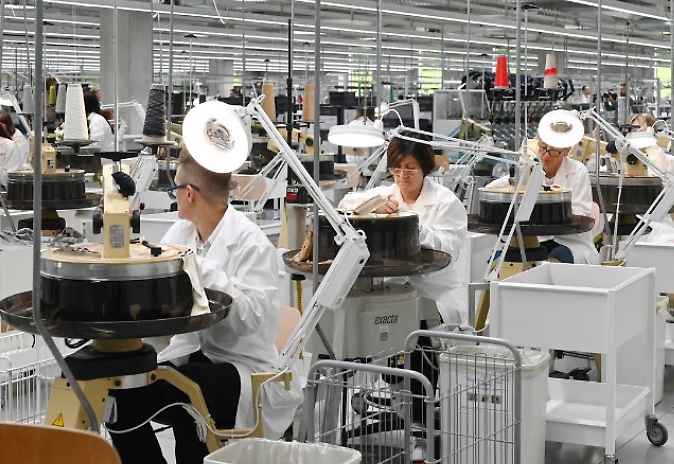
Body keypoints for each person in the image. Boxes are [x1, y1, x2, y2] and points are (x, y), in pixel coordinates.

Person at [107, 146, 297, 464]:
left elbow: (250, 319)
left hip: (243, 368)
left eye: (174, 189)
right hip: (191, 354)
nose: (174, 196)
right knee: (120, 391)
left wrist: (199, 266)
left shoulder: (251, 244)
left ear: (189, 193)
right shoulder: (182, 232)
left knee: (188, 391)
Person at [337, 137, 470, 326]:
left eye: (410, 168)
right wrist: (373, 205)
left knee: (425, 333)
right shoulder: (387, 195)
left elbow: (448, 248)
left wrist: (410, 226)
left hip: (435, 290)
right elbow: (346, 203)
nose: (402, 175)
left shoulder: (446, 202)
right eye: (396, 168)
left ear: (424, 167)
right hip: (393, 286)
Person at [486, 128, 599, 265]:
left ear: (566, 151)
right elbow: (489, 191)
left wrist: (550, 203)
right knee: (496, 263)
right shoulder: (530, 168)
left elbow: (582, 213)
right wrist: (511, 180)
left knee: (552, 263)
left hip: (569, 242)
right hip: (533, 239)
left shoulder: (578, 171)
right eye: (543, 148)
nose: (545, 156)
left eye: (553, 151)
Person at [630, 113, 674, 181]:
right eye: (633, 128)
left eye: (638, 127)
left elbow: (659, 172)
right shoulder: (631, 151)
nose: (636, 131)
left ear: (650, 129)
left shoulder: (658, 152)